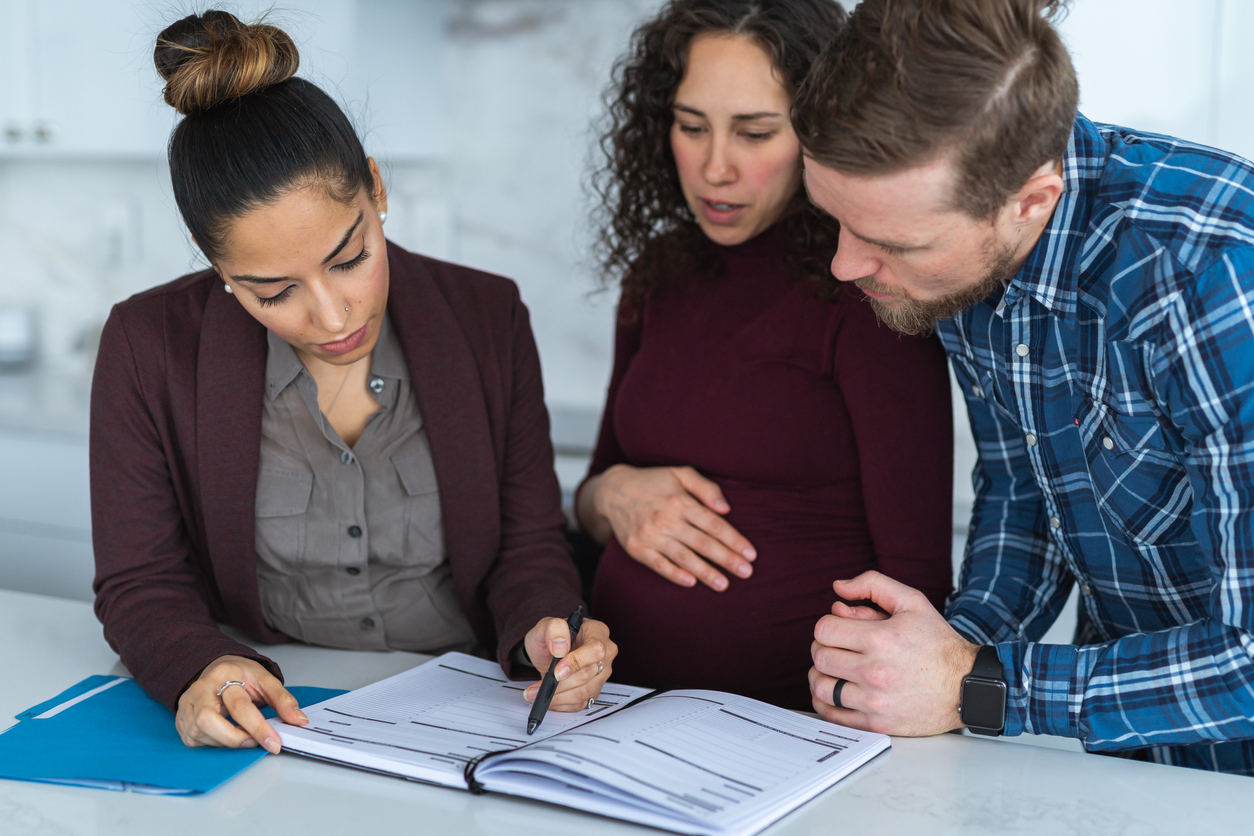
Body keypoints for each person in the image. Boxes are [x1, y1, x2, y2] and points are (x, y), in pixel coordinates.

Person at [90, 11, 616, 754]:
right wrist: (202, 668)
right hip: (278, 717)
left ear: (374, 188)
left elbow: (527, 545)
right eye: (273, 293)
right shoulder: (147, 346)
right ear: (222, 274)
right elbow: (140, 582)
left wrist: (546, 629)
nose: (333, 315)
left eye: (350, 257)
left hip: (472, 713)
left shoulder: (487, 316)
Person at [797, 0, 1254, 775]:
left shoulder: (1212, 278)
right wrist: (934, 653)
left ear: (1029, 200)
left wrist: (980, 684)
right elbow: (1028, 489)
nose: (844, 266)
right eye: (836, 220)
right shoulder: (962, 260)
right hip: (1129, 759)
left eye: (890, 242)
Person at [576, 0, 954, 710]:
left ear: (821, 133)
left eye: (754, 133)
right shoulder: (658, 271)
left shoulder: (870, 288)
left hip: (796, 737)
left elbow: (917, 582)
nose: (715, 167)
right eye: (692, 127)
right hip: (615, 713)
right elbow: (594, 490)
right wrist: (611, 496)